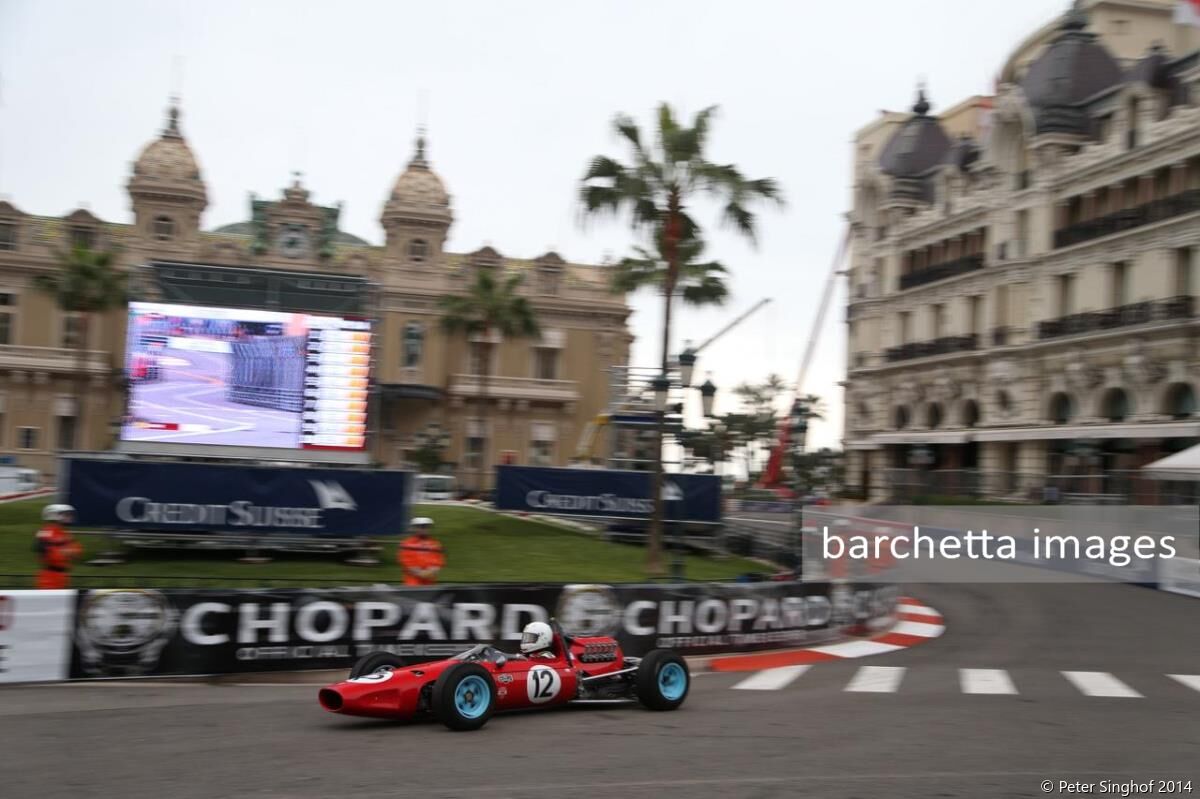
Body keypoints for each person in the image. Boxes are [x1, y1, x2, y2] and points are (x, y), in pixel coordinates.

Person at [34, 503, 83, 589]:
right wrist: (66, 551)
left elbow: (77, 552)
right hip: (50, 576)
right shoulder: (46, 532)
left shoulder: (64, 533)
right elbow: (50, 555)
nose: (70, 517)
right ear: (54, 515)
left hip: (62, 575)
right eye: (66, 514)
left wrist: (65, 551)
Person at [397, 517, 444, 586]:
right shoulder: (406, 544)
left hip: (430, 587)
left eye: (427, 527)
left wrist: (429, 572)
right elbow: (410, 567)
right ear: (414, 528)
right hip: (412, 587)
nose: (424, 529)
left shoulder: (435, 545)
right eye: (421, 527)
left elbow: (436, 566)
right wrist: (425, 574)